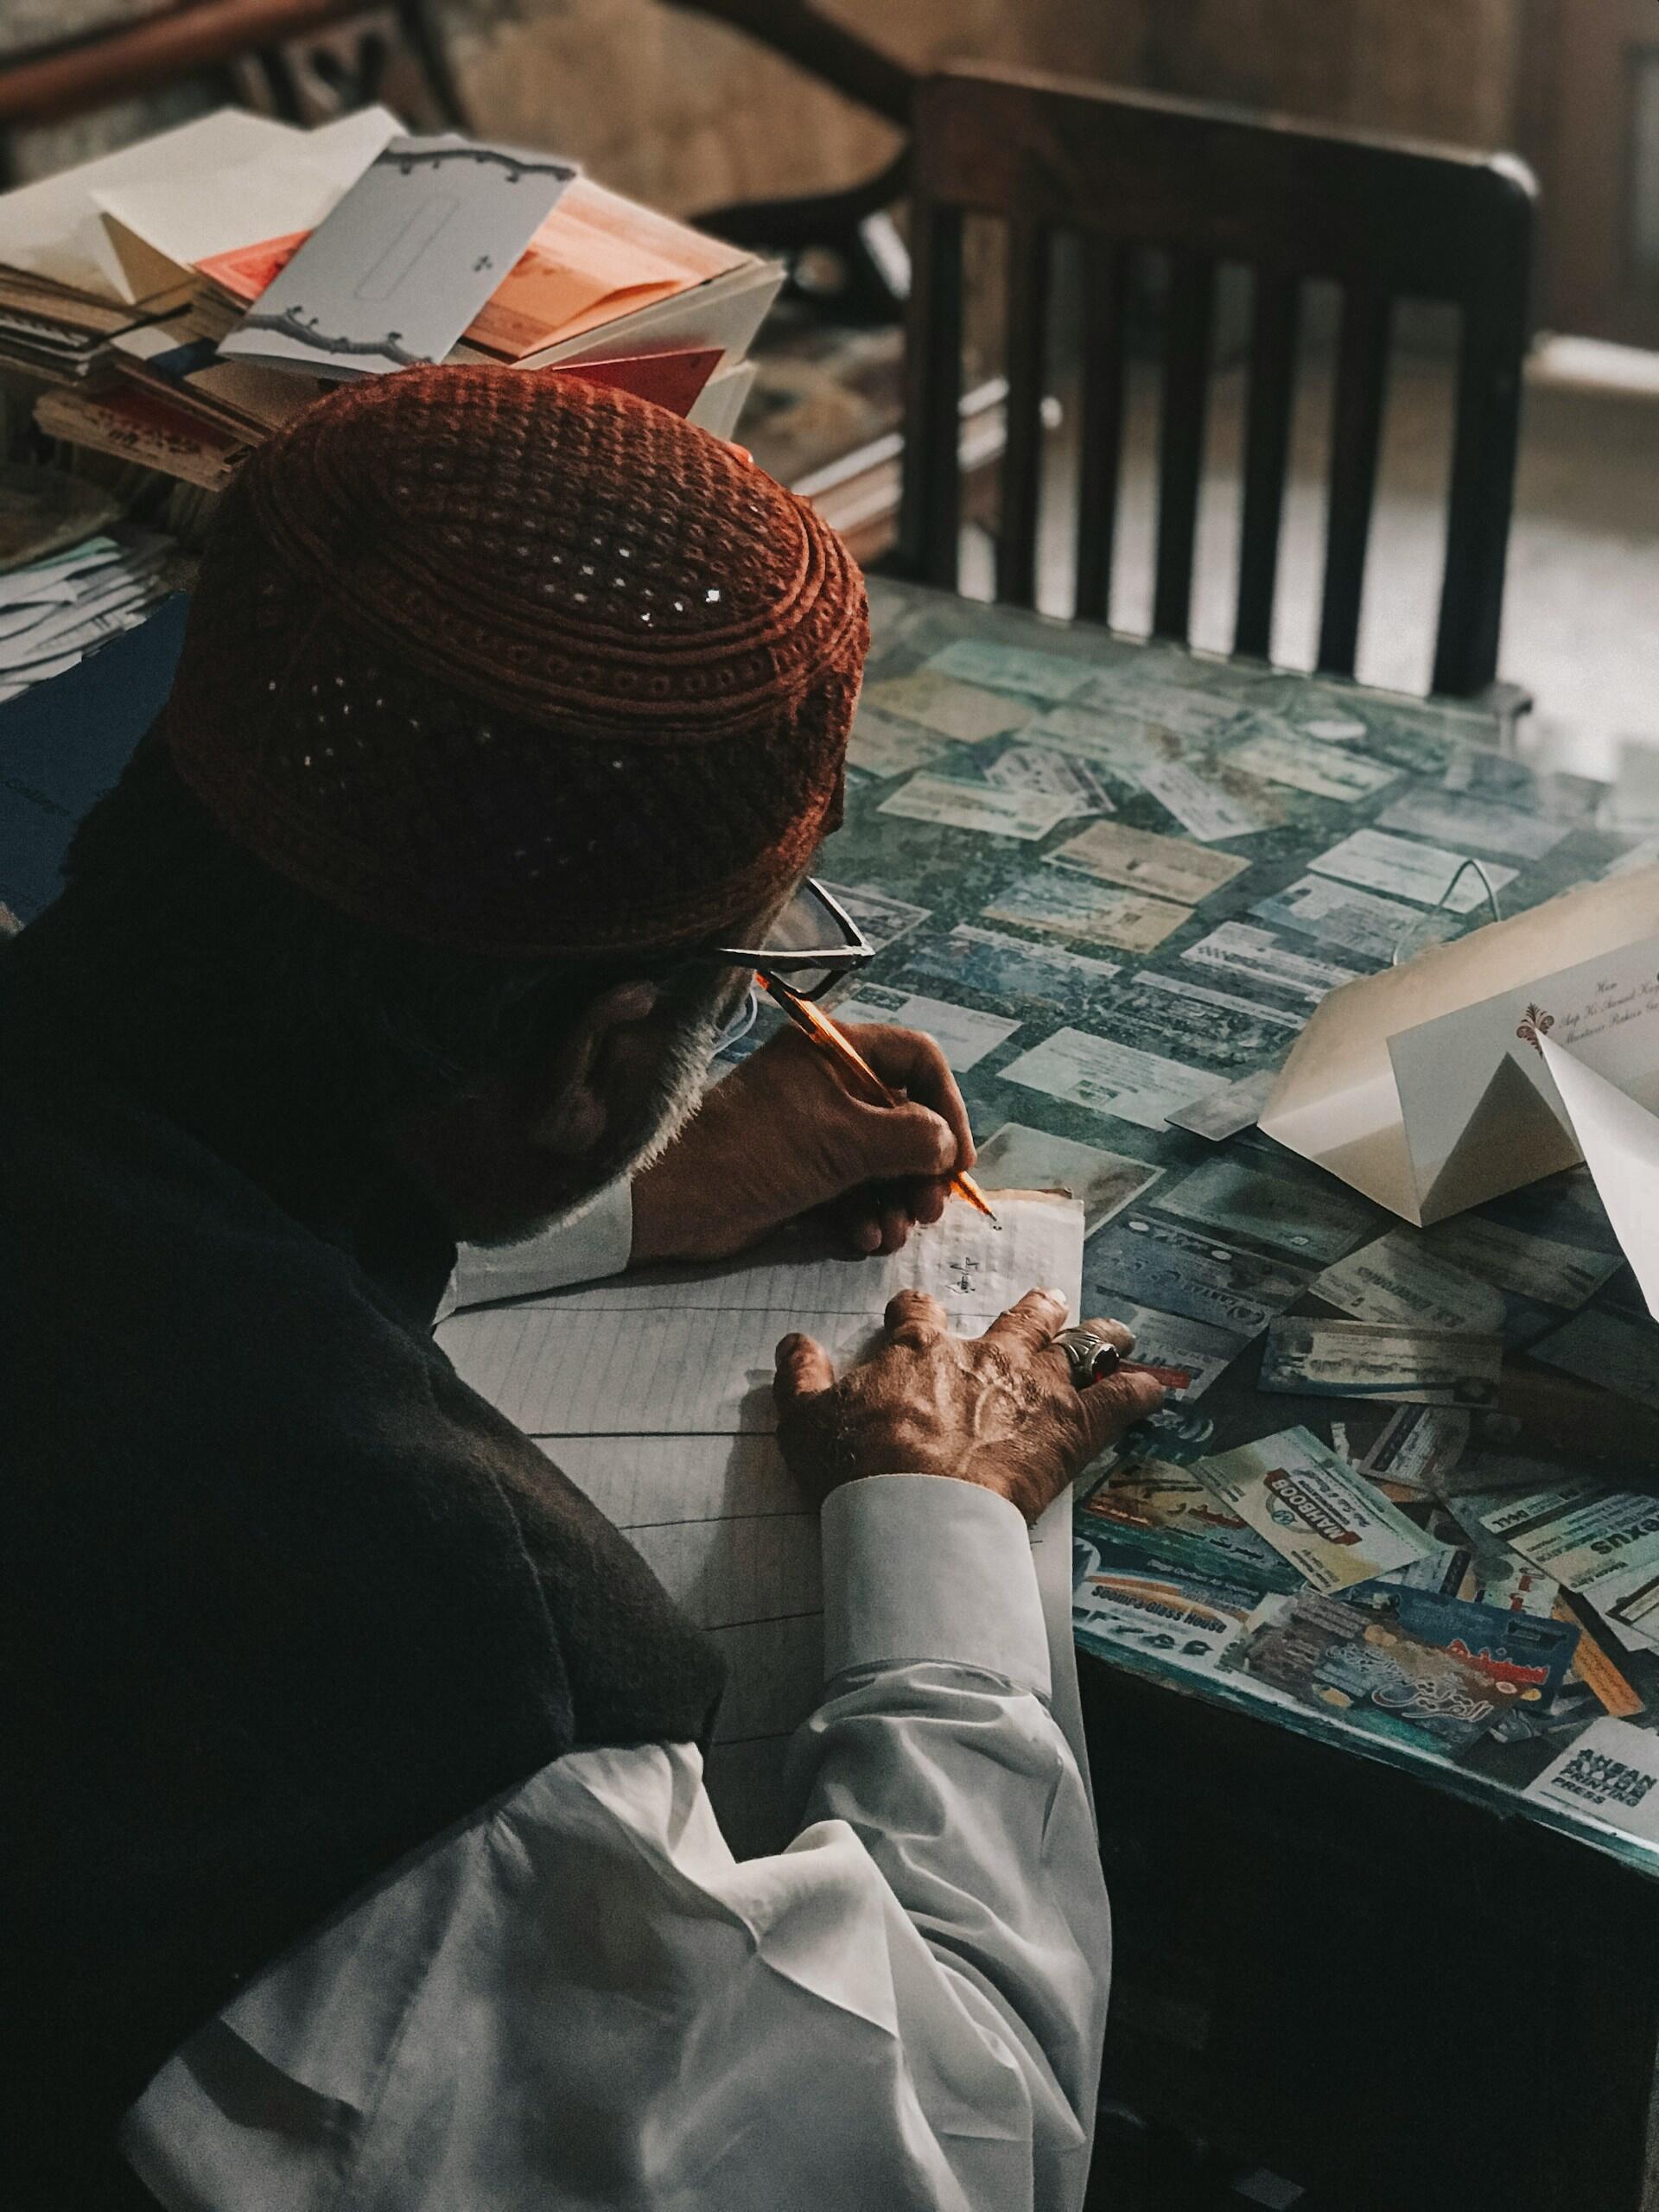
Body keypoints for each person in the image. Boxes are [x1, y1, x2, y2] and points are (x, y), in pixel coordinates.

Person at [0, 365, 1161, 2212]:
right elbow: (959, 2152)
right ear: (597, 1054)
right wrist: (939, 1536)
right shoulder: (443, 1700)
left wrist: (611, 1191)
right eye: (751, 969)